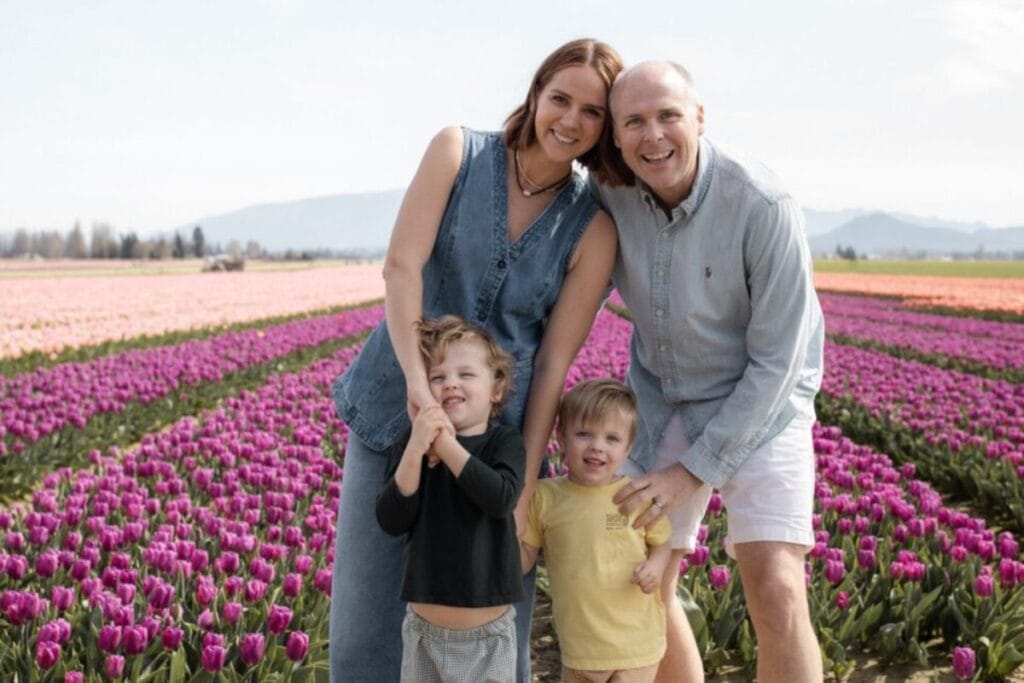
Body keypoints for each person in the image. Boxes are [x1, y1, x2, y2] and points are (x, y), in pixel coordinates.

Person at [329, 38, 623, 683]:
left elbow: (551, 364)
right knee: (364, 629)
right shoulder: (458, 153)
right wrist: (418, 389)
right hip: (393, 413)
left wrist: (520, 491)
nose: (570, 121)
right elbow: (401, 267)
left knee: (492, 631)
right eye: (560, 99)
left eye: (592, 112)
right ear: (536, 93)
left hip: (495, 447)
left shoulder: (592, 229)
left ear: (605, 127)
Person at [591, 61, 826, 683]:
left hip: (765, 406)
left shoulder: (762, 203)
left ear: (699, 117)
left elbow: (778, 362)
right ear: (614, 136)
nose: (654, 135)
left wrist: (692, 472)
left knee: (776, 588)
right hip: (665, 398)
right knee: (640, 580)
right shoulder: (609, 198)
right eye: (634, 121)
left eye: (668, 114)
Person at [376, 316, 524, 682]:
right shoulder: (411, 447)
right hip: (423, 633)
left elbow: (500, 497)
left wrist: (443, 442)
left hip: (486, 640)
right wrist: (416, 446)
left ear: (496, 389)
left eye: (466, 375)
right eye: (437, 378)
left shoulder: (503, 442)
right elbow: (392, 519)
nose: (450, 384)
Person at [521, 379, 671, 683]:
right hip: (580, 648)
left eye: (612, 438)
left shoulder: (635, 495)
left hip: (636, 644)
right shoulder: (544, 497)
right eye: (583, 434)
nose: (597, 446)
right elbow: (524, 558)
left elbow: (663, 541)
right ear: (561, 437)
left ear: (628, 447)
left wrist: (656, 566)